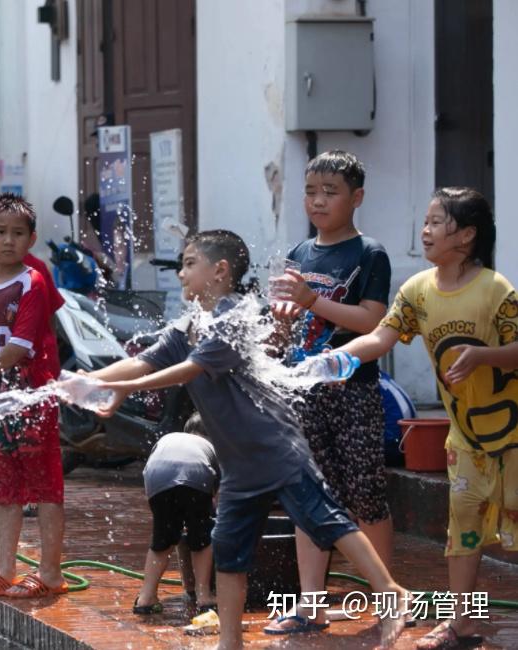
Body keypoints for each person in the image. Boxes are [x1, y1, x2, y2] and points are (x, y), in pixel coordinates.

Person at [86, 230, 409, 649]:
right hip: (239, 463)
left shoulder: (234, 318)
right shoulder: (188, 326)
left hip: (275, 447)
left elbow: (189, 371)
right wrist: (87, 380)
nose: (180, 274)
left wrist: (123, 390)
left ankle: (392, 592)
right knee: (229, 548)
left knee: (324, 519)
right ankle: (230, 641)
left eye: (188, 264)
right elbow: (141, 361)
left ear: (219, 271)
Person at [329, 188, 518, 650]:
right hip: (466, 439)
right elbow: (377, 339)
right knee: (463, 531)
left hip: (513, 438)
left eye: (437, 222)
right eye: (426, 221)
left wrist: (483, 356)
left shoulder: (495, 290)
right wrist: (332, 362)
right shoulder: (417, 291)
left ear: (467, 236)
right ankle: (461, 623)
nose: (425, 231)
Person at [264, 150, 395, 634]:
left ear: (356, 198)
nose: (318, 201)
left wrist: (311, 301)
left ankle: (387, 600)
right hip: (306, 392)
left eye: (330, 192)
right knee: (309, 497)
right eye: (311, 191)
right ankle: (309, 604)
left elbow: (371, 321)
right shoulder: (300, 254)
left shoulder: (369, 253)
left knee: (365, 497)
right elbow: (286, 325)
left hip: (353, 391)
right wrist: (280, 326)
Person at [0, 194, 66, 601]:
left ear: (32, 239)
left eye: (18, 233)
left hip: (32, 398)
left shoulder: (33, 281)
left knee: (43, 487)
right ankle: (5, 570)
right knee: (4, 488)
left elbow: (21, 345)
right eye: (0, 232)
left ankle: (51, 572)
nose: (8, 241)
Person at [133, 413, 218, 619]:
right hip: (196, 473)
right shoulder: (214, 447)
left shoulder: (171, 438)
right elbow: (219, 495)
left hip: (156, 476)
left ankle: (146, 597)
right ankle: (203, 595)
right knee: (202, 539)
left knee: (162, 540)